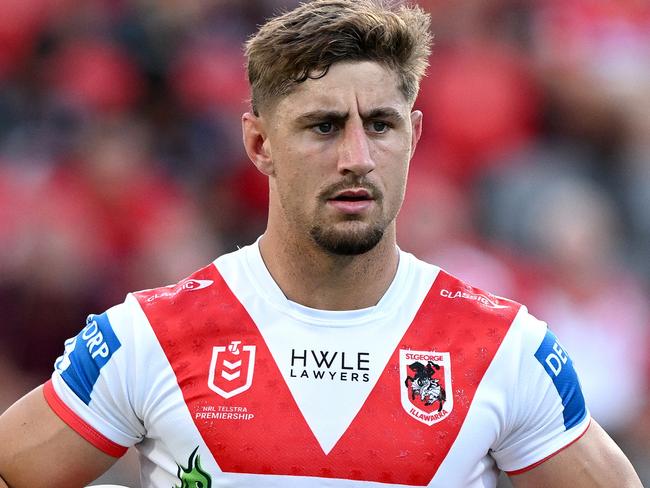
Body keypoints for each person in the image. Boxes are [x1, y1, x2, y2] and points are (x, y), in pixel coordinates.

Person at [0, 1, 643, 487]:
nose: (357, 158)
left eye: (381, 125)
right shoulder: (149, 337)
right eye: (324, 126)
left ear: (414, 138)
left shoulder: (504, 349)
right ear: (259, 145)